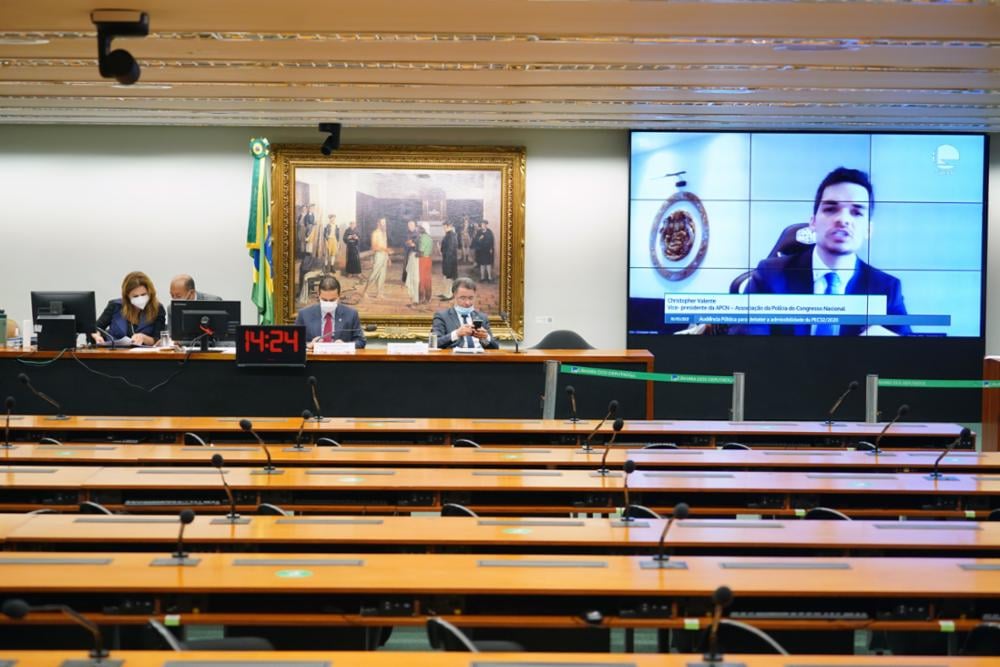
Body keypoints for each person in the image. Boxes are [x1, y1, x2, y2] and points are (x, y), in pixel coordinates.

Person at [744, 167, 910, 336]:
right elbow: (746, 346)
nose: (843, 219)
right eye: (831, 209)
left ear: (868, 230)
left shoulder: (886, 288)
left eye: (856, 212)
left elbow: (912, 357)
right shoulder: (769, 275)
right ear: (813, 222)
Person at [93, 271, 166, 346]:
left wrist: (144, 338)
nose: (140, 299)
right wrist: (96, 336)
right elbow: (96, 328)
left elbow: (158, 340)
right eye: (135, 296)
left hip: (144, 355)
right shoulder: (115, 306)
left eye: (143, 294)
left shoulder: (157, 308)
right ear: (127, 297)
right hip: (114, 352)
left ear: (150, 292)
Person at [294, 275, 366, 349]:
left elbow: (361, 341)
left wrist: (344, 345)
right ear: (318, 295)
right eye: (324, 300)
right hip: (314, 359)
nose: (328, 303)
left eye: (332, 300)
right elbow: (294, 341)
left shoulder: (351, 314)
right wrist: (309, 344)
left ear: (339, 295)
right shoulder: (304, 314)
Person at [430, 277, 499, 350]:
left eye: (471, 298)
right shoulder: (442, 316)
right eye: (463, 298)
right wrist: (456, 334)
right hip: (455, 359)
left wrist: (486, 337)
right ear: (454, 295)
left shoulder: (482, 317)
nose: (467, 303)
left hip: (479, 359)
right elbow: (435, 343)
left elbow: (495, 347)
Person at [365, 218, 389, 299]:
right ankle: (365, 291)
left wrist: (388, 258)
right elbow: (374, 247)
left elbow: (386, 246)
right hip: (378, 255)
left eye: (385, 223)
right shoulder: (375, 233)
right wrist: (384, 249)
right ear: (378, 223)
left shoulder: (384, 233)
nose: (384, 225)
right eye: (383, 223)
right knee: (374, 274)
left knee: (382, 275)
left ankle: (379, 293)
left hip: (384, 256)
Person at [439, 220, 459, 299]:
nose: (443, 228)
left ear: (449, 226)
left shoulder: (451, 236)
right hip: (447, 258)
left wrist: (443, 252)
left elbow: (450, 250)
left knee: (449, 277)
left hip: (449, 260)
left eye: (444, 227)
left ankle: (449, 295)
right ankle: (445, 293)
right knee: (446, 277)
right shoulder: (448, 234)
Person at [418, 222, 433, 303]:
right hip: (429, 259)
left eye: (420, 228)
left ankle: (421, 297)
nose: (419, 229)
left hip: (423, 260)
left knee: (422, 278)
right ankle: (428, 297)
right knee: (428, 279)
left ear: (423, 229)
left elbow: (421, 251)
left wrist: (416, 254)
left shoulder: (422, 237)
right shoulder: (429, 237)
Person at [401, 220, 418, 284]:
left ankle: (412, 280)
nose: (410, 227)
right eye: (409, 226)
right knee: (406, 265)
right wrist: (408, 242)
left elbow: (417, 242)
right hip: (407, 251)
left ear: (414, 226)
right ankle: (405, 279)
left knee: (413, 266)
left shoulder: (417, 233)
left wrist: (412, 242)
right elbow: (405, 242)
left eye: (412, 225)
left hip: (414, 252)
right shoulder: (406, 233)